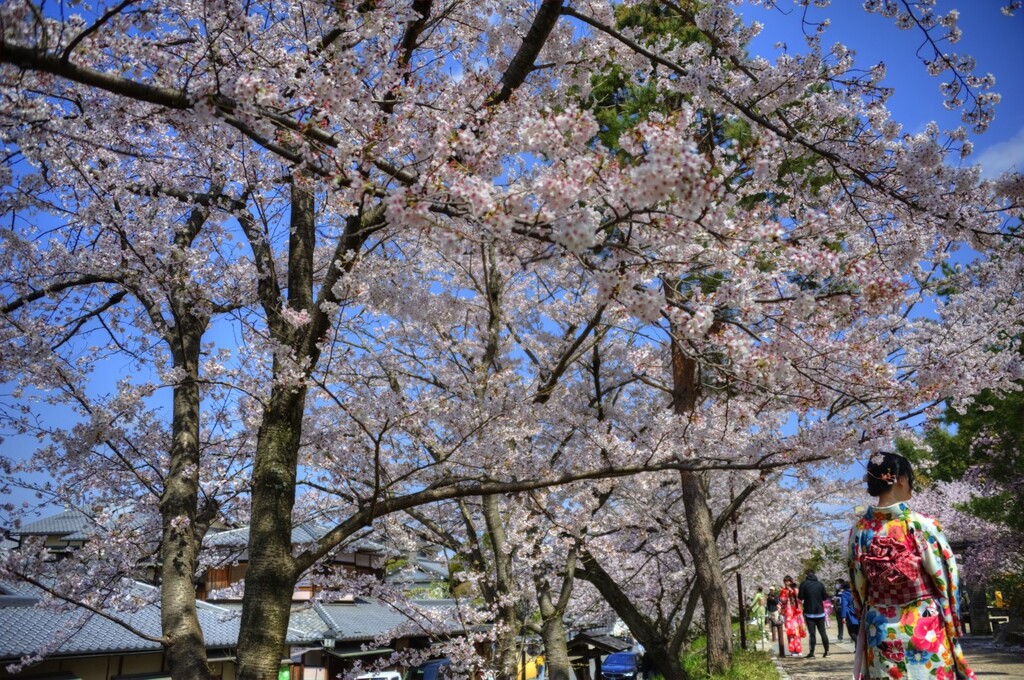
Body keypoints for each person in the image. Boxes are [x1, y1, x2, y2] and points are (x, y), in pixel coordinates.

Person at [848, 451, 976, 680]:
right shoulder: (922, 524)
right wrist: (952, 617)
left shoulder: (859, 531)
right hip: (924, 623)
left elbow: (858, 586)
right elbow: (947, 578)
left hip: (880, 627)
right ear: (901, 479)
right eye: (911, 479)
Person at [798, 571, 830, 658]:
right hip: (820, 612)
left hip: (809, 613)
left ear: (807, 576)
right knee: (823, 632)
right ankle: (826, 652)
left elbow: (800, 597)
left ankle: (812, 653)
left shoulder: (803, 584)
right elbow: (824, 597)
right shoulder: (820, 584)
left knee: (812, 633)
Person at [779, 575, 806, 656]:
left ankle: (798, 649)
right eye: (786, 581)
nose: (787, 583)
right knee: (791, 632)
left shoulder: (795, 589)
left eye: (789, 581)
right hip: (789, 614)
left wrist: (794, 589)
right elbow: (782, 601)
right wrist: (787, 593)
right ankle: (792, 650)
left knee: (797, 631)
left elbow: (800, 599)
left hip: (797, 613)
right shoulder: (783, 591)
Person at [766, 586, 786, 657]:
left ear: (774, 590)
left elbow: (776, 602)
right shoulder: (768, 596)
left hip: (774, 610)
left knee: (777, 622)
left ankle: (775, 635)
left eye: (772, 590)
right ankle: (772, 633)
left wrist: (772, 599)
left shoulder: (776, 596)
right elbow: (767, 603)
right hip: (769, 610)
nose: (771, 591)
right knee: (771, 622)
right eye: (770, 589)